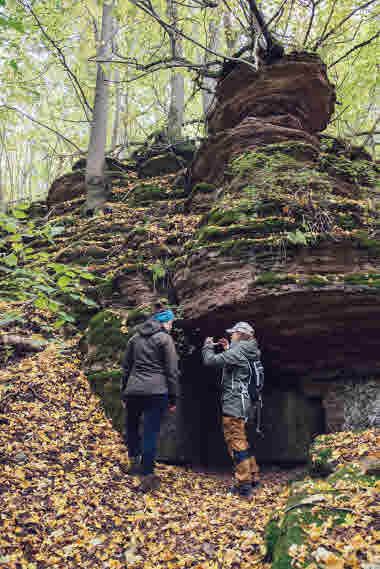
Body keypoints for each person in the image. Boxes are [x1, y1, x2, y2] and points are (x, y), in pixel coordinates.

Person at [120, 303, 179, 492]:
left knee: (131, 427)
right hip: (156, 392)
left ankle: (133, 462)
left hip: (133, 391)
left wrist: (124, 391)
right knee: (150, 432)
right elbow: (171, 370)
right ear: (163, 323)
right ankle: (147, 475)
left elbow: (126, 368)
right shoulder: (164, 339)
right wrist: (173, 397)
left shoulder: (134, 339)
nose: (171, 326)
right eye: (170, 323)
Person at [202, 322, 261, 498]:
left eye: (232, 334)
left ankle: (243, 485)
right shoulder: (250, 350)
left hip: (234, 402)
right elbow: (236, 364)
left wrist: (207, 346)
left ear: (240, 335)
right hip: (245, 402)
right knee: (241, 440)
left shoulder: (238, 351)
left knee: (235, 442)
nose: (230, 336)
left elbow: (210, 361)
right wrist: (229, 349)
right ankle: (253, 477)